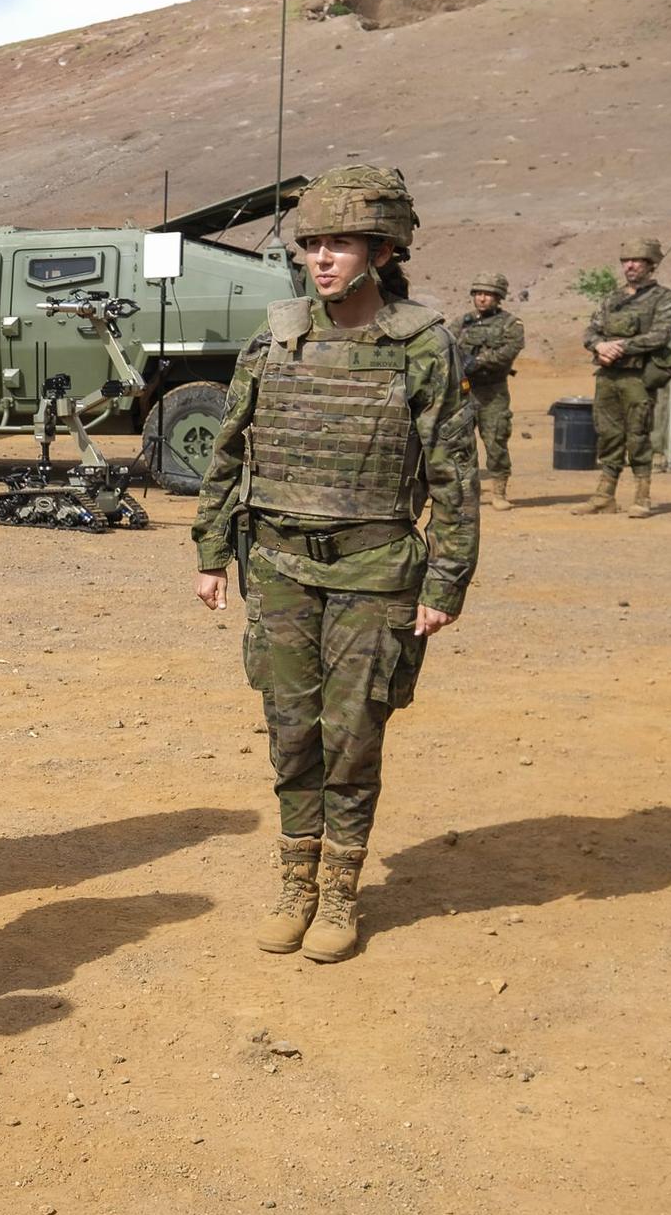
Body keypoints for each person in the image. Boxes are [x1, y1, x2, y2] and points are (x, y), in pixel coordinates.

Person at [191, 165, 478, 964]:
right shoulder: (276, 338)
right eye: (312, 243)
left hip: (375, 569)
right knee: (291, 733)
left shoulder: (421, 344)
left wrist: (446, 579)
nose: (321, 259)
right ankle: (296, 882)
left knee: (353, 737)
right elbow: (230, 451)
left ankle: (341, 891)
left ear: (382, 251)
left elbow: (455, 471)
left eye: (340, 243)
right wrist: (211, 550)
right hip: (280, 565)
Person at [573, 236, 671, 519]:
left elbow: (658, 336)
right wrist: (599, 346)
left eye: (637, 261)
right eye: (626, 261)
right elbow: (591, 331)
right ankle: (604, 496)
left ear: (651, 265)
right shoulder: (612, 298)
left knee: (638, 434)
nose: (630, 266)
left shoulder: (663, 299)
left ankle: (642, 496)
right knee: (608, 434)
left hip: (638, 377)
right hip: (608, 376)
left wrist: (618, 347)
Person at [455, 273, 524, 511]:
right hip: (464, 393)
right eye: (479, 294)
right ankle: (464, 492)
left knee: (496, 440)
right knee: (460, 444)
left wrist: (479, 361)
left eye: (488, 294)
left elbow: (508, 351)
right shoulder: (462, 323)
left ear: (498, 297)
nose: (482, 299)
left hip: (492, 392)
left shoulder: (511, 324)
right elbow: (447, 345)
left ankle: (499, 492)